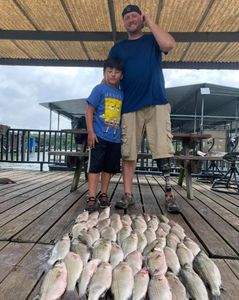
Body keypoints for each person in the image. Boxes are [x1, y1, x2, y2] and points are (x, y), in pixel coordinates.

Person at [109, 4, 180, 213]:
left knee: (163, 150)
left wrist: (149, 22)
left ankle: (168, 194)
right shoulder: (118, 48)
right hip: (129, 105)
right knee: (128, 151)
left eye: (134, 16)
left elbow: (170, 44)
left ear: (140, 18)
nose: (131, 20)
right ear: (123, 22)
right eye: (127, 17)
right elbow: (110, 77)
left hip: (156, 101)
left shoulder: (152, 40)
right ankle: (128, 194)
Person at [85, 58, 124, 212]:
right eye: (109, 71)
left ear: (121, 75)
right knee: (95, 167)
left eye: (117, 72)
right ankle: (91, 196)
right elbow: (89, 111)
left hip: (115, 139)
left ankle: (104, 194)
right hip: (99, 137)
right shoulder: (99, 89)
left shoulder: (122, 93)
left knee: (108, 168)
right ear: (104, 73)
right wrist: (90, 132)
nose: (113, 74)